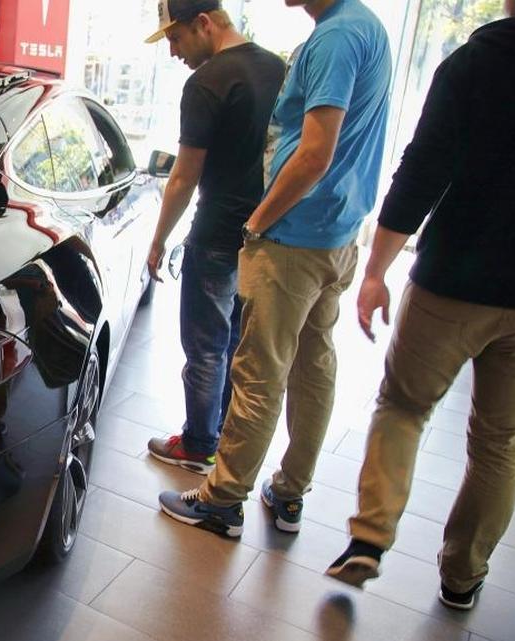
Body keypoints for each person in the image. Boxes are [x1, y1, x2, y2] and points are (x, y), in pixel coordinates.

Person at [158, 0, 392, 538]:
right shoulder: (363, 28)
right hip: (337, 232)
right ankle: (289, 494)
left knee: (258, 373)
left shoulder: (333, 41)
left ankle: (222, 501)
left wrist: (259, 222)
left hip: (293, 236)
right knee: (313, 368)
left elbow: (315, 152)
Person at [324, 1, 515, 611]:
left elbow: (423, 169)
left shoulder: (474, 63)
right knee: (501, 441)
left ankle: (370, 540)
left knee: (404, 406)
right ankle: (463, 575)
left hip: (453, 280)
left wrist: (377, 268)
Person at [143, 0, 285, 476]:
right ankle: (226, 439)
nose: (173, 52)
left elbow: (184, 176)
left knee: (206, 343)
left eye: (176, 39)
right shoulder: (279, 70)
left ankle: (199, 443)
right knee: (240, 348)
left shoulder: (205, 83)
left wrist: (159, 239)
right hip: (267, 234)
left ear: (204, 23)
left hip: (217, 233)